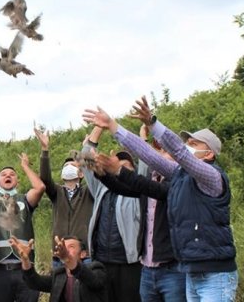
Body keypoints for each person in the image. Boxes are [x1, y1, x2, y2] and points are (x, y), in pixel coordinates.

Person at [83, 96, 238, 301]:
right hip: (192, 271)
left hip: (214, 275)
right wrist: (113, 126)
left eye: (193, 143)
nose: (187, 146)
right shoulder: (181, 176)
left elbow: (180, 152)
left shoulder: (212, 177)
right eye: (187, 143)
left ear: (209, 154)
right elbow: (149, 155)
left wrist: (152, 123)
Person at [90, 129, 185, 302]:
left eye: (164, 151)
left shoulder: (180, 182)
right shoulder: (149, 181)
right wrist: (101, 173)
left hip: (172, 268)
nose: (159, 154)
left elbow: (150, 187)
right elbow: (123, 188)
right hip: (148, 269)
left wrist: (119, 170)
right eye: (157, 150)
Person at [78, 126, 146, 302]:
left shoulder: (140, 191)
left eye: (126, 166)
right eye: (117, 165)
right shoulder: (101, 187)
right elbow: (86, 156)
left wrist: (142, 139)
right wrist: (99, 127)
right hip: (101, 261)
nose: (120, 169)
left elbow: (147, 164)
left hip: (128, 263)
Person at [0, 153, 45, 302]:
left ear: (17, 181)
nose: (8, 176)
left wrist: (25, 166)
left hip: (25, 270)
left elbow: (40, 188)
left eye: (12, 174)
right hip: (0, 272)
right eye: (3, 174)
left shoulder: (25, 199)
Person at [36, 127, 94, 268]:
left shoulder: (89, 192)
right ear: (62, 175)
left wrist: (85, 151)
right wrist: (45, 150)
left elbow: (93, 175)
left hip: (83, 255)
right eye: (66, 166)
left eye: (72, 165)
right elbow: (44, 177)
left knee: (83, 289)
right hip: (59, 255)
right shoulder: (57, 192)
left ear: (81, 174)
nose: (68, 167)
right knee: (60, 288)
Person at [11, 235, 107, 302]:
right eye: (63, 246)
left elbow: (93, 280)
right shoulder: (59, 275)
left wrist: (68, 259)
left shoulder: (96, 268)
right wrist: (25, 260)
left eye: (71, 247)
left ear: (83, 254)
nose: (65, 249)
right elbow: (34, 282)